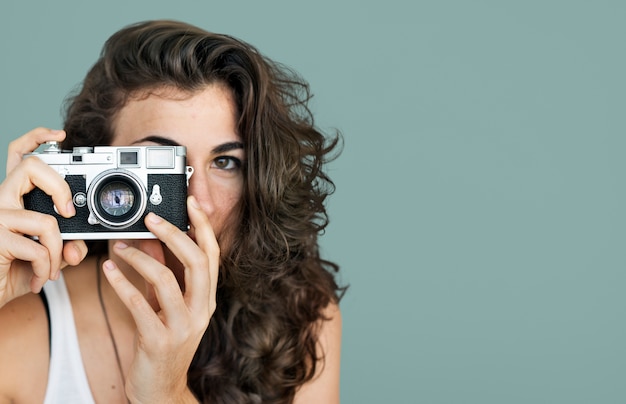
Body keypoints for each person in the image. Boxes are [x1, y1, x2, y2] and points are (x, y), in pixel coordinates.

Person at [0, 20, 344, 403]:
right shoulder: (20, 323)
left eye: (226, 162)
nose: (198, 201)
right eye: (160, 164)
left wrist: (166, 393)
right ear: (92, 172)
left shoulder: (302, 315)